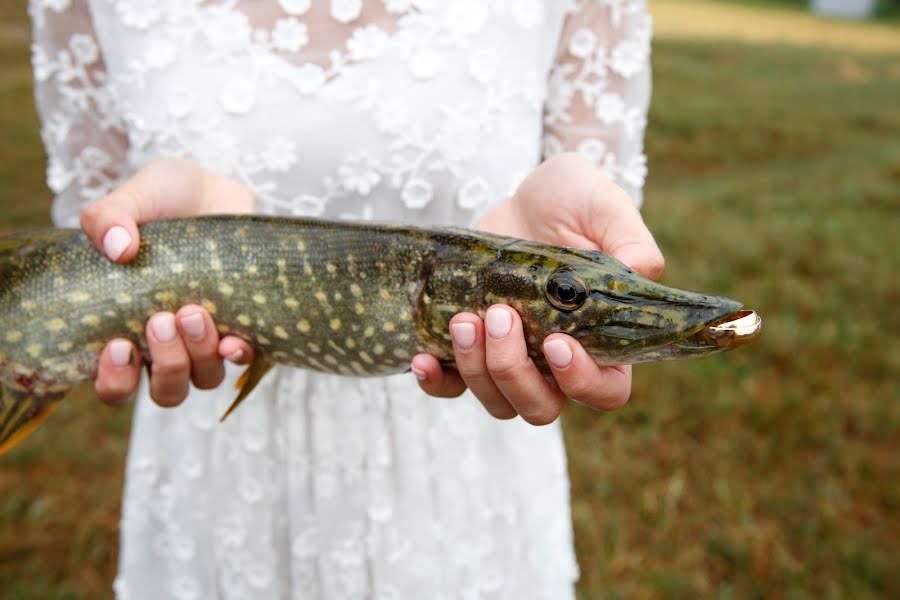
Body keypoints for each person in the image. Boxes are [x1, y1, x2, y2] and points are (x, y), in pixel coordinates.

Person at [30, 1, 661, 598]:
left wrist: (579, 212)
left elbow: (593, 214)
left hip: (460, 463)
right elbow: (97, 220)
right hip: (216, 457)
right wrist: (164, 243)